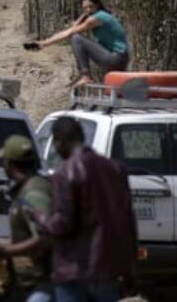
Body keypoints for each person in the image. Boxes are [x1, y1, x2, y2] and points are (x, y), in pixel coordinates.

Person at [25, 116, 138, 302]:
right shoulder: (115, 169)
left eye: (55, 143)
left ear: (60, 141)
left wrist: (39, 217)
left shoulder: (66, 173)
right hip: (107, 270)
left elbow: (62, 224)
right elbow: (128, 224)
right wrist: (130, 269)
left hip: (73, 271)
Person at [0, 136, 53, 302]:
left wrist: (7, 251)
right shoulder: (25, 189)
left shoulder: (33, 193)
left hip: (43, 283)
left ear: (9, 163)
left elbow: (46, 237)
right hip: (26, 283)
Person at [25, 0, 129, 87]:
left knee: (77, 39)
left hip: (115, 58)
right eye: (85, 8)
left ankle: (85, 75)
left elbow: (70, 32)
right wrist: (84, 14)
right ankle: (85, 76)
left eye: (90, 6)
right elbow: (74, 26)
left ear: (97, 5)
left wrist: (43, 43)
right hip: (119, 60)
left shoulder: (97, 18)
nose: (88, 10)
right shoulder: (100, 15)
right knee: (76, 37)